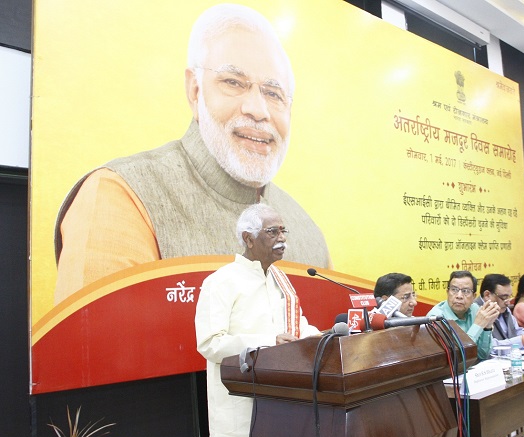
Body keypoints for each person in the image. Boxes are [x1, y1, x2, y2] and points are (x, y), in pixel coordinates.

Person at [54, 3, 330, 303]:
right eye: (233, 82)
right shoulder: (120, 196)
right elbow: (99, 331)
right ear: (195, 90)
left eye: (273, 93)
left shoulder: (308, 233)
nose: (258, 109)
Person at [195, 203, 321, 437]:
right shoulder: (220, 282)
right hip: (239, 401)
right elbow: (210, 343)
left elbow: (296, 327)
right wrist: (267, 340)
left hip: (280, 396)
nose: (282, 238)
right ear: (248, 239)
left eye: (283, 231)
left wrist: (320, 337)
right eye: (272, 232)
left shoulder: (279, 280)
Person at [426, 271, 499, 360]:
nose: (459, 296)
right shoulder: (436, 318)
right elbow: (458, 358)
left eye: (466, 291)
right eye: (454, 290)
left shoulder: (475, 309)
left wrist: (487, 327)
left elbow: (483, 355)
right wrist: (477, 325)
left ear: (474, 297)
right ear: (447, 292)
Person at [480, 274, 524, 349]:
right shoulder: (476, 312)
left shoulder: (504, 309)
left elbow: (517, 331)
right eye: (504, 297)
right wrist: (521, 341)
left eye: (509, 297)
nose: (508, 302)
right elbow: (489, 346)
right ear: (487, 295)